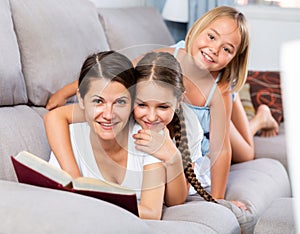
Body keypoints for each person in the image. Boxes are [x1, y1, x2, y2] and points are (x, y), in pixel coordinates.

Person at [45, 6, 276, 202]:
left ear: (235, 57)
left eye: (227, 49)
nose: (214, 50)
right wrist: (64, 92)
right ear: (197, 30)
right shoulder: (166, 59)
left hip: (204, 130)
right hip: (189, 124)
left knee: (245, 152)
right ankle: (253, 113)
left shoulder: (219, 89)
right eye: (211, 37)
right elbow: (112, 75)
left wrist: (218, 200)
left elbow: (221, 149)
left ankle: (259, 119)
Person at [44, 51, 217, 216]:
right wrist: (76, 181)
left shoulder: (187, 126)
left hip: (187, 174)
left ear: (179, 101)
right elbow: (56, 116)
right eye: (142, 105)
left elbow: (175, 200)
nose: (151, 116)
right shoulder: (114, 114)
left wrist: (173, 157)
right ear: (133, 99)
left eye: (163, 106)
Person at [46, 51, 166, 220]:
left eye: (120, 102)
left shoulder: (148, 138)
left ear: (133, 102)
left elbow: (152, 213)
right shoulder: (69, 138)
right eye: (98, 101)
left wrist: (90, 200)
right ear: (81, 99)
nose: (109, 114)